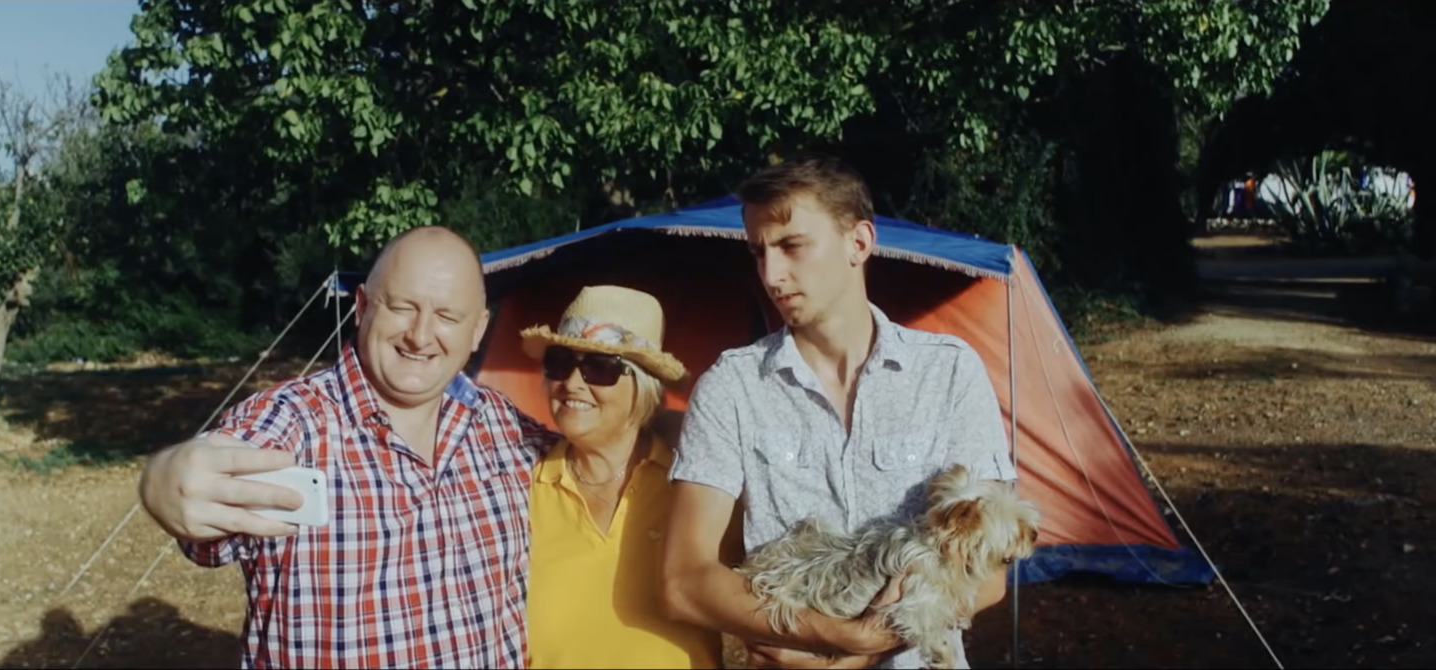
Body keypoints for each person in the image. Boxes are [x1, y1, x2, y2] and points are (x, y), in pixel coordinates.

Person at [135, 225, 558, 669]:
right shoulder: (293, 423)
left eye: (448, 317)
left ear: (478, 331)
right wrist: (162, 479)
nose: (420, 334)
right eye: (402, 307)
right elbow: (206, 493)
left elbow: (599, 468)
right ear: (361, 307)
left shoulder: (504, 427)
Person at [658, 155, 1018, 670]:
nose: (771, 274)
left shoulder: (950, 374)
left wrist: (854, 654)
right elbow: (683, 581)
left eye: (791, 246)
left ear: (860, 242)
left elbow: (986, 576)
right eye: (758, 252)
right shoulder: (730, 387)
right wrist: (835, 635)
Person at [517, 284, 723, 669]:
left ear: (644, 386)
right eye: (560, 362)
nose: (572, 383)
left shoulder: (696, 487)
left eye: (600, 367)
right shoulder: (520, 494)